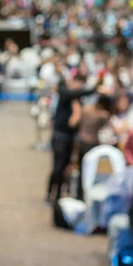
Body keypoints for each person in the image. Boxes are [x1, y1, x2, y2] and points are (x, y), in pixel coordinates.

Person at [46, 74, 97, 203]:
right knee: (57, 167)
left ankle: (58, 195)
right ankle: (50, 194)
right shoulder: (64, 93)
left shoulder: (77, 99)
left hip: (70, 137)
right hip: (60, 136)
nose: (79, 87)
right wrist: (95, 88)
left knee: (65, 168)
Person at [73, 95, 112, 201]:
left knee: (82, 171)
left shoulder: (86, 109)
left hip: (82, 142)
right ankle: (86, 196)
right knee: (91, 172)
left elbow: (77, 123)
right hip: (92, 144)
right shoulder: (102, 115)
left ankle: (79, 195)